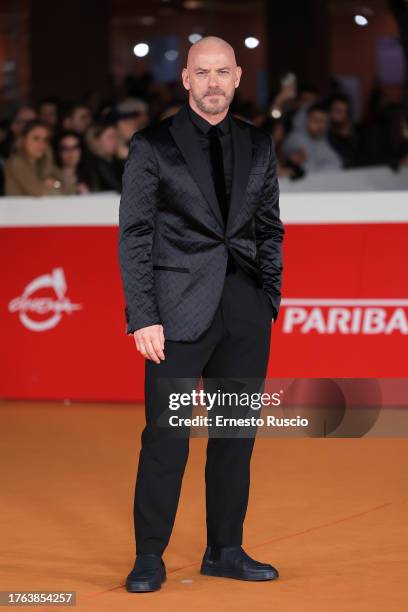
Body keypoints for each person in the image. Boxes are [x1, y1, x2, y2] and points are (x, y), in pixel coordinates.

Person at [118, 35, 284, 592]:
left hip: (243, 311)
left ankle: (225, 549)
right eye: (202, 73)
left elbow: (269, 229)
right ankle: (148, 557)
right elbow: (136, 235)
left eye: (222, 72)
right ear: (186, 79)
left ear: (237, 77)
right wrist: (143, 315)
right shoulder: (152, 145)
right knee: (167, 437)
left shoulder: (259, 145)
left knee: (236, 438)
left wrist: (268, 299)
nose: (213, 82)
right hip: (174, 313)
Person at [4, 119, 72, 196]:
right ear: (23, 140)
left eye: (45, 140)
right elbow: (39, 192)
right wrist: (53, 185)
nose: (41, 144)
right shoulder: (16, 162)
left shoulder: (45, 163)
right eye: (36, 138)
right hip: (18, 207)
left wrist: (55, 184)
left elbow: (69, 189)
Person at [282, 102, 343, 173]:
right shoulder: (295, 140)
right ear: (305, 120)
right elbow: (306, 169)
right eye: (316, 120)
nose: (321, 125)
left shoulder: (326, 140)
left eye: (324, 121)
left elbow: (337, 164)